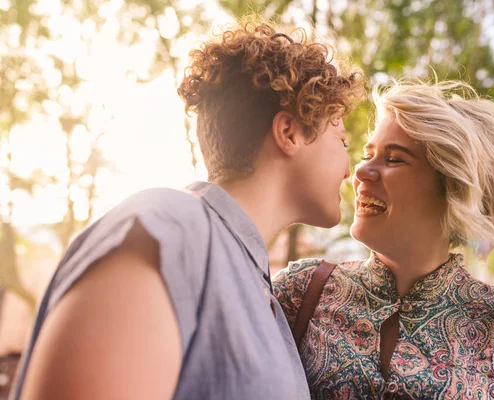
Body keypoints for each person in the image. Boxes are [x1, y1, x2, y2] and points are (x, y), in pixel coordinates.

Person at [11, 18, 364, 400]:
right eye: (342, 140)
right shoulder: (167, 228)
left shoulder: (264, 294)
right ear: (290, 133)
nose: (350, 169)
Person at [273, 80, 494, 399]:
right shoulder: (300, 291)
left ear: (453, 189)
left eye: (394, 159)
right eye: (368, 154)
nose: (361, 172)